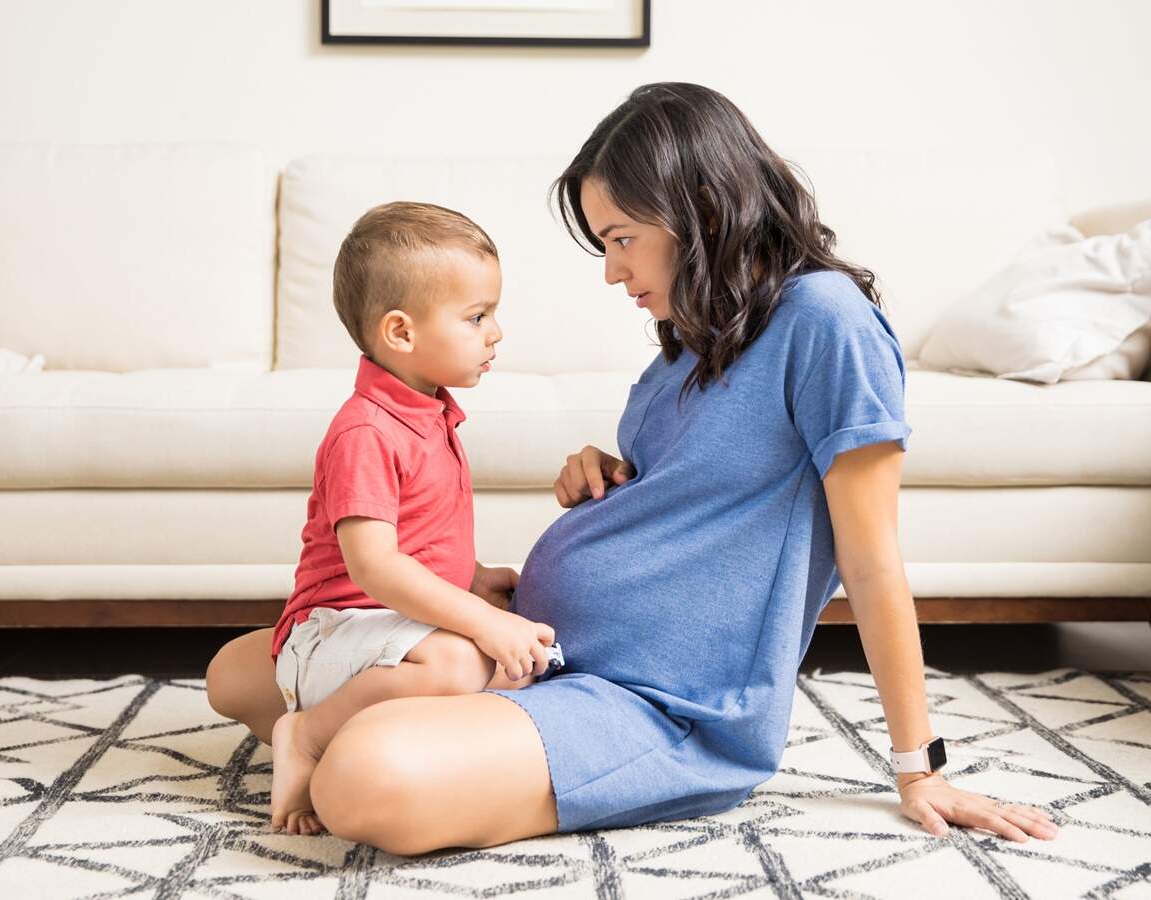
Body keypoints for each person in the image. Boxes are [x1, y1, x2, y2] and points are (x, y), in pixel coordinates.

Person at [206, 84, 1059, 854]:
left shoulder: (827, 324)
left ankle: (396, 740)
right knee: (240, 671)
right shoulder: (698, 334)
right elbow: (704, 486)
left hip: (658, 703)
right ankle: (427, 726)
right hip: (553, 647)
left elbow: (872, 563)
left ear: (705, 213)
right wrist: (609, 477)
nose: (612, 271)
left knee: (363, 779)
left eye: (621, 240)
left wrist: (921, 768)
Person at [209, 201, 558, 836]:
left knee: (508, 642)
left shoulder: (428, 410)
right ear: (401, 332)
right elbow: (374, 566)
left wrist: (472, 579)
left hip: (381, 626)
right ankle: (308, 734)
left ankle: (348, 724)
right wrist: (477, 620)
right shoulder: (366, 430)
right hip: (339, 624)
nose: (496, 332)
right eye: (477, 316)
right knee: (463, 663)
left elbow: (419, 535)